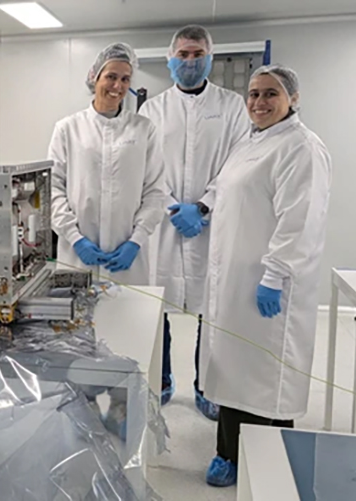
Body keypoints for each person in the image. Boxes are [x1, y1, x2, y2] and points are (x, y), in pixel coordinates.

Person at [200, 65, 331, 487]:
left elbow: (300, 220)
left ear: (293, 98)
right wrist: (201, 207)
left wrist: (274, 275)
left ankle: (263, 459)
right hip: (234, 280)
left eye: (270, 94)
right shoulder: (251, 141)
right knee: (235, 368)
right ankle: (230, 452)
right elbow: (225, 190)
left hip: (267, 283)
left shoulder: (301, 147)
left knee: (264, 375)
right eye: (254, 94)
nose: (259, 102)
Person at [48, 42, 167, 436]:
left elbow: (155, 192)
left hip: (127, 259)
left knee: (125, 340)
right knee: (78, 339)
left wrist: (137, 239)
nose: (117, 85)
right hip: (76, 257)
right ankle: (80, 412)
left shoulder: (144, 130)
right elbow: (53, 189)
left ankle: (120, 412)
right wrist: (75, 237)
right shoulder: (68, 128)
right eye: (111, 76)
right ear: (94, 78)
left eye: (125, 79)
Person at [138, 25, 251, 419]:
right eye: (183, 54)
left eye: (198, 54)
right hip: (165, 222)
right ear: (170, 59)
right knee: (158, 305)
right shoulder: (152, 110)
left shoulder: (233, 106)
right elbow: (147, 169)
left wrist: (203, 206)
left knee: (212, 308)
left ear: (210, 58)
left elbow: (239, 164)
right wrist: (173, 207)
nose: (190, 61)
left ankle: (207, 386)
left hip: (213, 222)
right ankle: (162, 379)